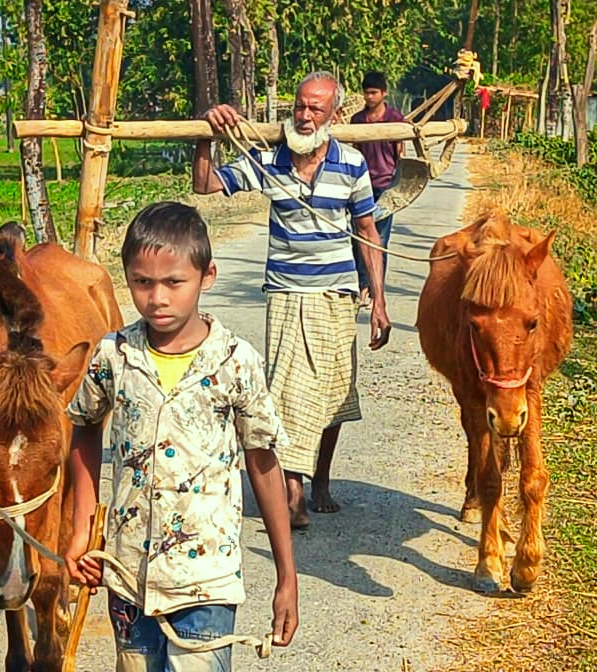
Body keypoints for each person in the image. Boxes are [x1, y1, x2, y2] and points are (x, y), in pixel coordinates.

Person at [65, 201, 299, 672]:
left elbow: (263, 464)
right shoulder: (113, 355)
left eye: (174, 282)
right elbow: (84, 430)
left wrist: (286, 575)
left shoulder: (235, 361)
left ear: (206, 276)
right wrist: (81, 532)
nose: (158, 298)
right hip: (128, 575)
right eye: (143, 282)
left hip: (205, 581)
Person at [191, 71, 392, 530]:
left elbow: (367, 232)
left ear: (334, 115)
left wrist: (378, 301)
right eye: (299, 107)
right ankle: (293, 490)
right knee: (286, 390)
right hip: (285, 292)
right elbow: (205, 186)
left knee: (334, 391)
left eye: (315, 109)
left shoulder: (352, 164)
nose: (303, 116)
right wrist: (208, 132)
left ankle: (320, 479)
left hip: (337, 294)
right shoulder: (269, 161)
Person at [349, 71, 406, 310]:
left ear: (384, 93)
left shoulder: (395, 119)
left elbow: (400, 153)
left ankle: (376, 291)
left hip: (385, 186)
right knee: (358, 238)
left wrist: (399, 182)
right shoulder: (357, 121)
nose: (370, 97)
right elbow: (353, 150)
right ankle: (363, 285)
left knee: (379, 240)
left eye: (374, 92)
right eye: (367, 92)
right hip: (360, 186)